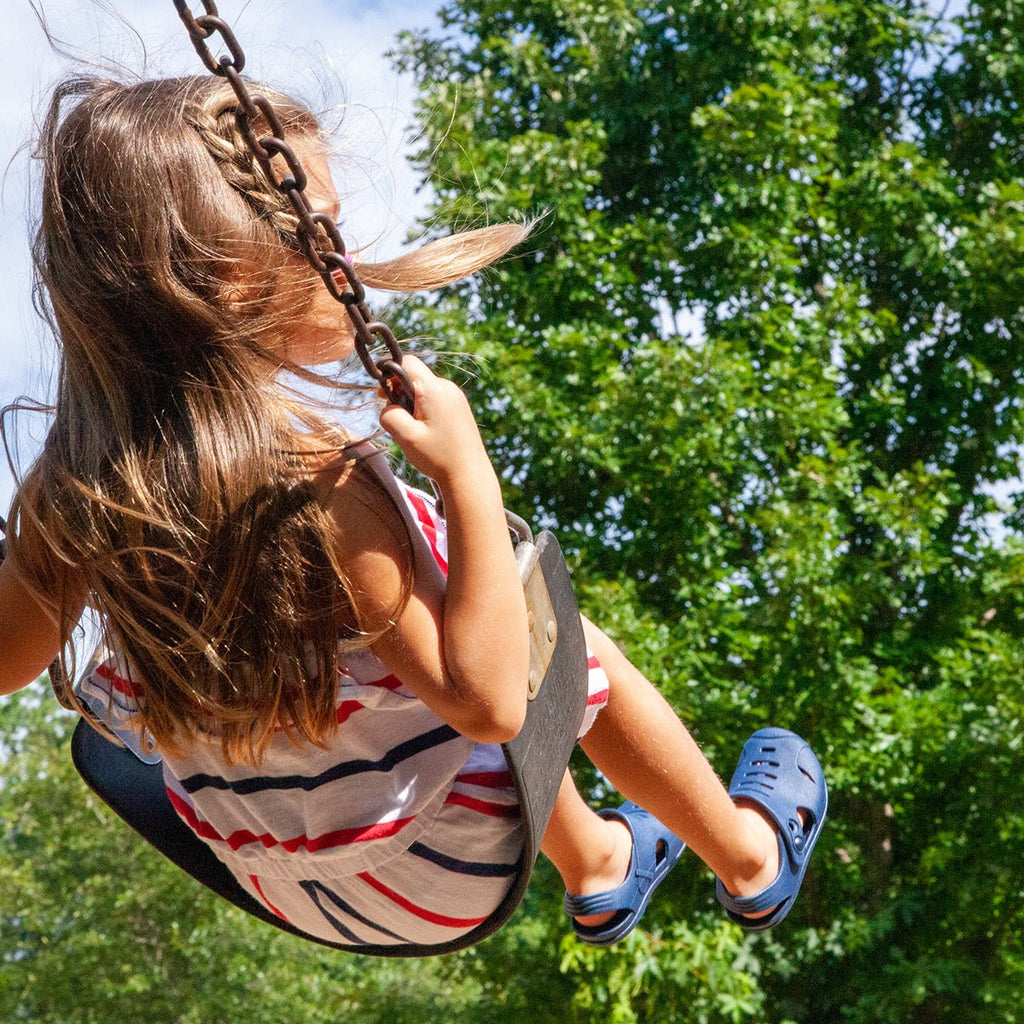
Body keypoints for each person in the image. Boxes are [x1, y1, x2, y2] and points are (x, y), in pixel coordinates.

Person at [0, 74, 827, 950]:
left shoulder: (77, 485)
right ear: (231, 283)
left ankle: (597, 866)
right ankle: (749, 860)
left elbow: (7, 662)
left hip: (272, 870)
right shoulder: (318, 485)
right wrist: (470, 475)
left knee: (386, 685)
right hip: (431, 871)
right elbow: (487, 707)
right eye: (325, 227)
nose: (348, 259)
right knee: (567, 646)